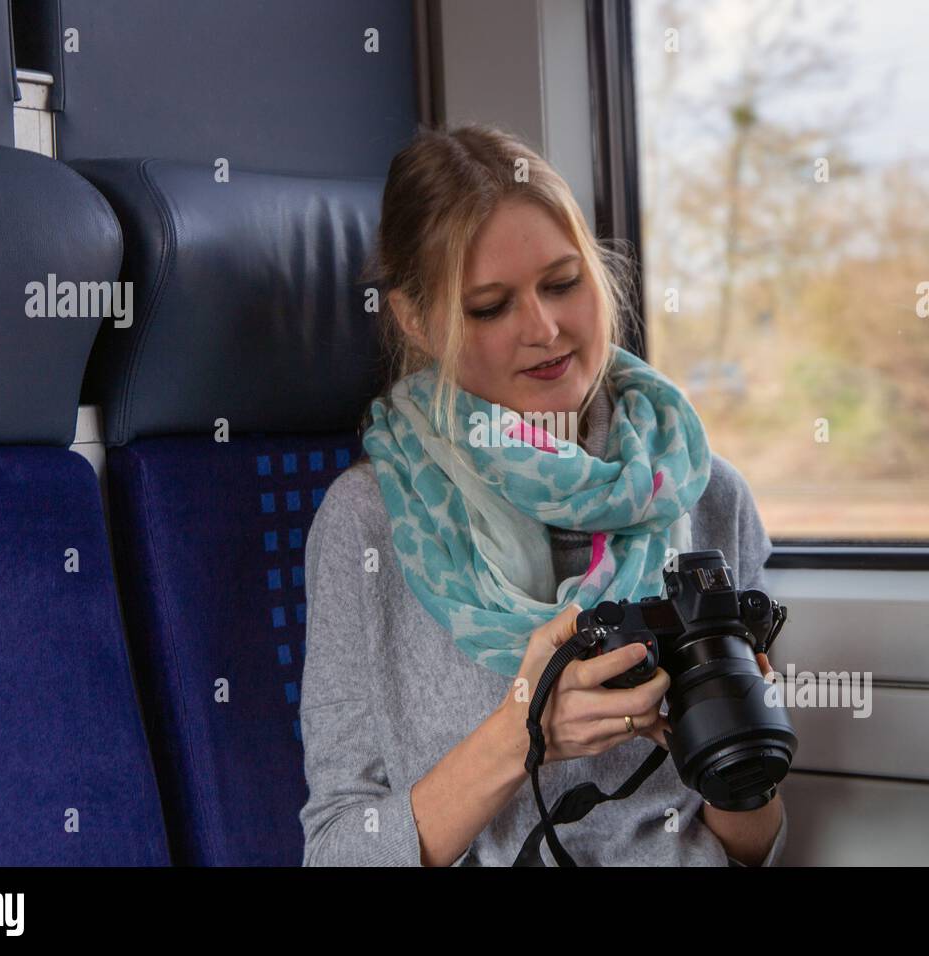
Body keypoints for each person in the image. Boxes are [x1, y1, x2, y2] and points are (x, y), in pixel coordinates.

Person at [299, 123, 787, 866]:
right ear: (415, 320)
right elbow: (337, 852)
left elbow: (750, 847)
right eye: (490, 306)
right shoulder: (368, 524)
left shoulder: (707, 493)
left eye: (564, 283)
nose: (546, 328)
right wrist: (525, 732)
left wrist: (733, 744)